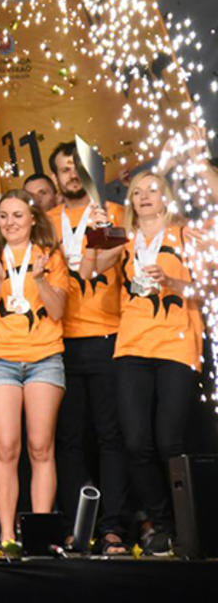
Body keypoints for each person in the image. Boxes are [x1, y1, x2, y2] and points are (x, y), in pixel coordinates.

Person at [0, 190, 68, 556]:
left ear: (33, 219)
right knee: (6, 447)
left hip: (44, 357)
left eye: (17, 215)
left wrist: (40, 279)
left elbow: (57, 311)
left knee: (41, 447)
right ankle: (8, 535)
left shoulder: (51, 256)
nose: (10, 222)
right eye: (3, 216)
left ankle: (40, 536)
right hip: (0, 359)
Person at [113, 171, 204, 555]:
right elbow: (88, 268)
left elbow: (206, 287)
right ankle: (162, 523)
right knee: (135, 442)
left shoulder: (186, 234)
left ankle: (189, 525)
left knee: (170, 440)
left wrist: (170, 280)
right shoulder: (121, 237)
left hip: (175, 344)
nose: (144, 196)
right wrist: (99, 231)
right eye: (136, 192)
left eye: (153, 190)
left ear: (167, 197)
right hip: (131, 346)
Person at [47, 141, 130, 554]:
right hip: (58, 340)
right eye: (64, 169)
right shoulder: (45, 222)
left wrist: (99, 230)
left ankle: (112, 526)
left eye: (77, 167)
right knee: (69, 439)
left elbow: (107, 263)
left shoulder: (111, 213)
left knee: (111, 436)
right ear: (56, 178)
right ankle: (76, 528)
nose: (72, 174)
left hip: (108, 334)